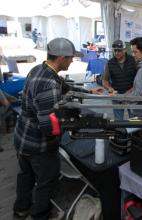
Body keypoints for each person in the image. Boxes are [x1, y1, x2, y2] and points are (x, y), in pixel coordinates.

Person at [13, 38, 103, 220]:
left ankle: (21, 210)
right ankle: (40, 215)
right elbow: (49, 128)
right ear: (61, 58)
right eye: (70, 58)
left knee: (26, 176)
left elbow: (65, 87)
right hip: (38, 145)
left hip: (22, 136)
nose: (72, 61)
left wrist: (88, 92)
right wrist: (75, 123)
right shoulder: (49, 85)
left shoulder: (41, 69)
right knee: (46, 182)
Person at [102, 39, 137, 120]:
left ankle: (133, 133)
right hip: (117, 96)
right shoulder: (110, 63)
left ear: (124, 50)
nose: (116, 53)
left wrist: (132, 90)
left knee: (134, 120)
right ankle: (120, 132)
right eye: (115, 50)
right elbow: (105, 81)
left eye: (119, 50)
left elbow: (139, 78)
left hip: (131, 96)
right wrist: (109, 88)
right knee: (118, 121)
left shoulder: (133, 60)